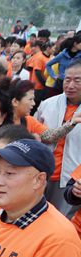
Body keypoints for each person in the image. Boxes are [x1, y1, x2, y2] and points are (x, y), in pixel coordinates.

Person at [35, 58, 81, 215]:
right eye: (67, 80)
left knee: (63, 218)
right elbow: (37, 134)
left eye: (77, 80)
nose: (70, 85)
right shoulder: (48, 104)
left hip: (71, 179)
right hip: (42, 173)